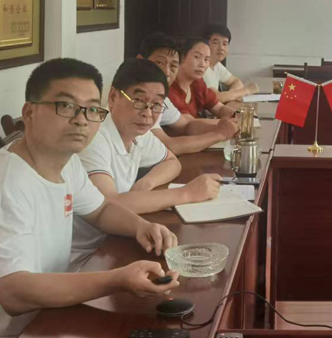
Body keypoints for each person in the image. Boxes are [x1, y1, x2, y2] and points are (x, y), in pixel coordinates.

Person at [0, 58, 180, 338]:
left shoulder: (67, 163)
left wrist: (141, 227)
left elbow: (101, 210)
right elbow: (14, 293)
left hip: (46, 320)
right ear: (29, 113)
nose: (81, 120)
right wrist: (117, 280)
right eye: (66, 106)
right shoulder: (6, 186)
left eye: (91, 109)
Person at [72, 58, 223, 259]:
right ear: (113, 96)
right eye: (139, 101)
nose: (147, 113)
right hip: (85, 255)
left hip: (114, 240)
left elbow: (172, 162)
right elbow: (109, 204)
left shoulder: (138, 132)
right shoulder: (95, 135)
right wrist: (187, 193)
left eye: (156, 105)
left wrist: (146, 183)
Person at [137, 31, 238, 154]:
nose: (166, 73)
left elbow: (187, 124)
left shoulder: (161, 98)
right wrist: (219, 134)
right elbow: (169, 147)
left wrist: (223, 127)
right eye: (160, 63)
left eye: (173, 66)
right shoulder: (136, 98)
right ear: (140, 61)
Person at [169, 37, 236, 120]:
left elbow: (219, 108)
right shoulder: (170, 88)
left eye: (206, 59)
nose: (203, 64)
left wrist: (237, 116)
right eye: (197, 57)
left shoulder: (197, 82)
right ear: (181, 57)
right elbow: (189, 124)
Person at [202, 24, 257, 103]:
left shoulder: (217, 65)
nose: (221, 48)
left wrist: (230, 95)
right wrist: (246, 90)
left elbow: (236, 81)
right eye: (215, 43)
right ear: (205, 44)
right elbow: (216, 98)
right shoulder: (201, 68)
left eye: (225, 44)